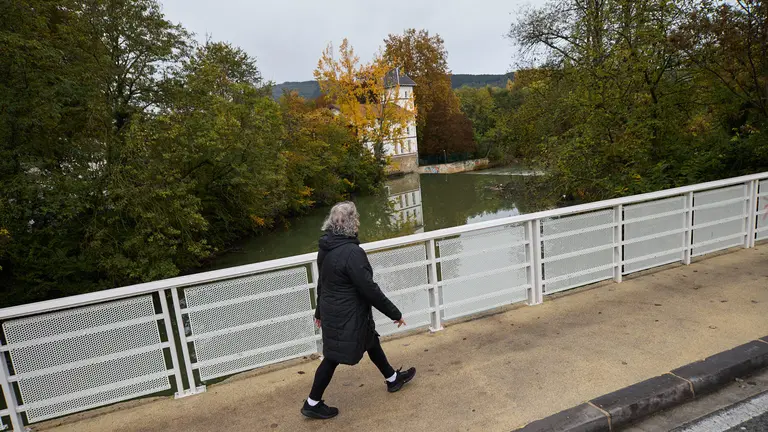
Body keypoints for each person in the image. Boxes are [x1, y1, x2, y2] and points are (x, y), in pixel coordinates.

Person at [301, 201, 416, 419]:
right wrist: (395, 313)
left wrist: (319, 312)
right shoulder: (353, 253)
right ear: (352, 223)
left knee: (370, 340)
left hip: (334, 310)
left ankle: (392, 379)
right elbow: (369, 289)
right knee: (332, 357)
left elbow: (322, 283)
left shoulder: (325, 247)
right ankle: (312, 403)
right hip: (347, 314)